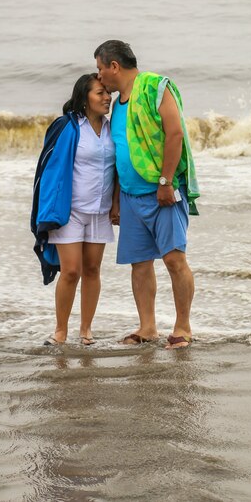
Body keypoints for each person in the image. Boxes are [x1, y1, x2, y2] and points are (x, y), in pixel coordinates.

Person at [94, 40, 199, 349]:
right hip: (129, 195)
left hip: (161, 191)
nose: (99, 76)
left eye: (100, 69)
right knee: (139, 264)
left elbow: (175, 132)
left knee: (173, 259)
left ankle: (183, 327)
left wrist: (166, 182)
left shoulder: (155, 87)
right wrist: (115, 201)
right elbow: (118, 156)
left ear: (114, 66)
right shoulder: (117, 107)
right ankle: (148, 327)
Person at [31, 74, 115, 346]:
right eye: (100, 93)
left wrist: (116, 204)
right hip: (71, 211)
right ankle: (60, 331)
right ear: (85, 97)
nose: (107, 98)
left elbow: (118, 170)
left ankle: (86, 330)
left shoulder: (112, 128)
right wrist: (47, 211)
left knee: (92, 269)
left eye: (107, 93)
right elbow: (49, 169)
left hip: (100, 211)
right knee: (71, 271)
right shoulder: (67, 126)